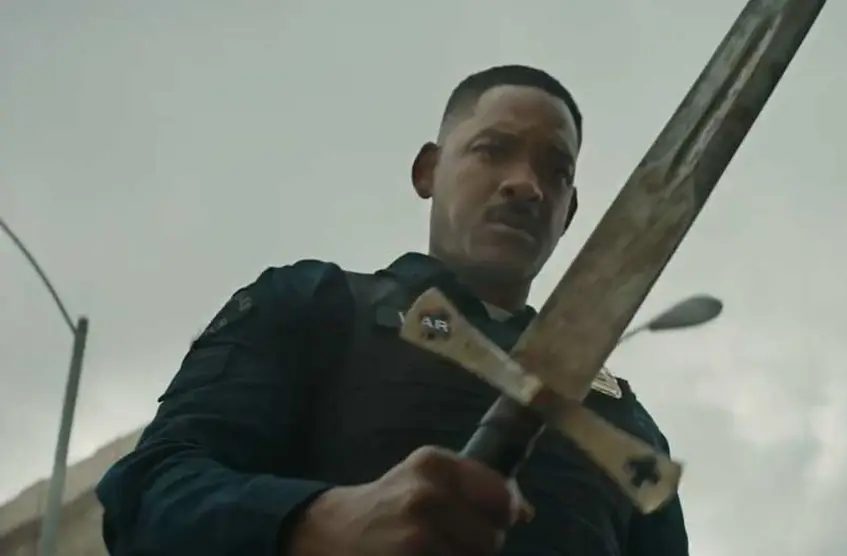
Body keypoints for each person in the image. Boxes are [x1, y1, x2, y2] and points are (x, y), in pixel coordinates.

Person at [96, 64, 689, 556]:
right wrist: (317, 522)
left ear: (570, 210)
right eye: (493, 150)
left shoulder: (624, 422)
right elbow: (147, 497)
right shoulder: (315, 305)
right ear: (428, 171)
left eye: (555, 172)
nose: (526, 185)